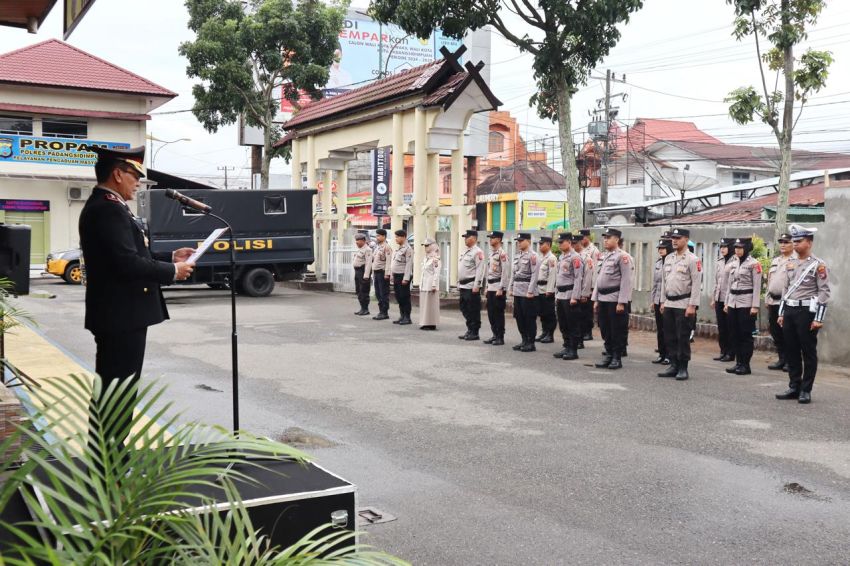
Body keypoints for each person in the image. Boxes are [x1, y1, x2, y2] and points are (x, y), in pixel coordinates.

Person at [79, 146, 194, 449]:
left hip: (120, 314)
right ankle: (109, 464)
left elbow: (130, 253)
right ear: (117, 174)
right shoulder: (106, 208)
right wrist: (172, 270)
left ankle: (109, 459)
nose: (138, 183)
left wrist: (171, 256)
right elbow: (125, 263)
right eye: (134, 176)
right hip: (120, 316)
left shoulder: (110, 206)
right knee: (117, 394)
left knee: (117, 392)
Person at [775, 224, 830, 404]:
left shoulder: (818, 265)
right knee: (791, 350)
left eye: (799, 241)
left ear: (809, 243)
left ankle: (806, 390)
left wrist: (818, 318)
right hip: (790, 310)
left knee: (808, 351)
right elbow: (786, 289)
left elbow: (824, 292)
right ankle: (794, 386)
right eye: (794, 241)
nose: (795, 244)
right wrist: (782, 313)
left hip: (807, 312)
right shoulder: (790, 263)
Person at [657, 228, 702, 381]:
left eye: (678, 238)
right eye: (673, 238)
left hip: (684, 303)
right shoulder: (669, 258)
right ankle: (673, 365)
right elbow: (664, 281)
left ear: (686, 239)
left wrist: (692, 306)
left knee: (682, 337)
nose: (674, 241)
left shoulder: (693, 259)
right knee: (669, 336)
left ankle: (683, 367)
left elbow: (696, 284)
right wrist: (662, 301)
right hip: (669, 302)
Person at [591, 228, 632, 370]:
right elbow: (599, 279)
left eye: (609, 237)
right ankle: (608, 354)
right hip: (603, 298)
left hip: (615, 299)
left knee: (616, 329)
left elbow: (626, 281)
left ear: (616, 239)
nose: (605, 240)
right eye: (605, 237)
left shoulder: (623, 257)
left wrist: (622, 302)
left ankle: (616, 357)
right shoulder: (604, 256)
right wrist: (595, 299)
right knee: (605, 328)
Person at [724, 238, 762, 375]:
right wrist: (727, 302)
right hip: (733, 301)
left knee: (745, 335)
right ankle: (738, 362)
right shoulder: (733, 263)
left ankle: (745, 364)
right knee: (734, 333)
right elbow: (729, 284)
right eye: (736, 247)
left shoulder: (754, 264)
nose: (737, 250)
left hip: (746, 303)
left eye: (740, 247)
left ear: (746, 248)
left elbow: (757, 286)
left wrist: (755, 306)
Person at [553, 233, 585, 360]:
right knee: (563, 323)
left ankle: (573, 349)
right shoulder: (561, 257)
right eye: (559, 242)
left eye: (562, 242)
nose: (560, 244)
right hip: (561, 294)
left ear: (569, 242)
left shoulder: (575, 257)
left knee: (572, 323)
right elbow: (559, 278)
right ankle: (566, 346)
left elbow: (578, 278)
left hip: (570, 294)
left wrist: (575, 297)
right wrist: (556, 294)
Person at [765, 233, 795, 370]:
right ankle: (782, 359)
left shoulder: (795, 261)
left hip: (786, 302)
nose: (783, 244)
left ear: (793, 244)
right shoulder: (776, 260)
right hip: (773, 301)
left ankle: (790, 361)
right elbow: (770, 280)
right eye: (781, 242)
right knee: (775, 332)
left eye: (786, 242)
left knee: (788, 333)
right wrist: (767, 297)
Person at [508, 233, 539, 352]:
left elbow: (534, 275)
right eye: (518, 241)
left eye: (521, 241)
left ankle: (531, 342)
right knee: (519, 317)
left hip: (527, 293)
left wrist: (530, 291)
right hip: (517, 291)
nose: (519, 243)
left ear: (528, 241)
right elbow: (513, 274)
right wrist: (511, 288)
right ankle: (524, 340)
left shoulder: (533, 256)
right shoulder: (517, 256)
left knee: (529, 318)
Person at [457, 229, 486, 340]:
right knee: (464, 308)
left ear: (473, 238)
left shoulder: (477, 252)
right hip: (463, 285)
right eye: (464, 237)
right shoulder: (465, 251)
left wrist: (477, 285)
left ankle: (474, 332)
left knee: (473, 309)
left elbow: (480, 270)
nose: (465, 239)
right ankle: (469, 329)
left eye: (467, 237)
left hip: (471, 286)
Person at [710, 238, 736, 362]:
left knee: (730, 327)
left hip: (730, 299)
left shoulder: (735, 261)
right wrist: (713, 298)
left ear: (730, 247)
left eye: (725, 246)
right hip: (719, 298)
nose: (722, 249)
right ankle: (723, 351)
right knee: (721, 327)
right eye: (721, 246)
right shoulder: (719, 262)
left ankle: (731, 353)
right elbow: (717, 282)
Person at [483, 231, 511, 346]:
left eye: (493, 238)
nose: (490, 239)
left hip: (498, 288)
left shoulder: (502, 254)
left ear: (499, 239)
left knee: (498, 313)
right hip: (491, 287)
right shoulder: (492, 254)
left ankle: (500, 337)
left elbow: (505, 272)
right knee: (491, 313)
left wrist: (501, 288)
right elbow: (488, 272)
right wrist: (486, 287)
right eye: (490, 238)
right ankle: (494, 334)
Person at [651, 238, 672, 365]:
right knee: (660, 329)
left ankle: (669, 355)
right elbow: (655, 283)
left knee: (668, 329)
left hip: (668, 301)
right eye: (659, 248)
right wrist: (653, 300)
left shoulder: (671, 262)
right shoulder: (658, 263)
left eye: (663, 248)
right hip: (658, 299)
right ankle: (662, 353)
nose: (660, 250)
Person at [572, 234, 594, 349]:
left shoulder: (587, 257)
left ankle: (580, 340)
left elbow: (588, 277)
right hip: (573, 291)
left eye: (574, 243)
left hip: (582, 293)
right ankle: (575, 339)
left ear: (580, 243)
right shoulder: (573, 256)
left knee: (582, 317)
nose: (573, 245)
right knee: (574, 318)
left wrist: (585, 293)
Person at [534, 236, 558, 343]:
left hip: (547, 289)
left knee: (549, 313)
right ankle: (544, 332)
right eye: (539, 244)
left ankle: (550, 334)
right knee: (542, 313)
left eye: (542, 244)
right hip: (539, 289)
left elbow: (552, 275)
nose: (540, 246)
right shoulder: (540, 257)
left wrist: (550, 290)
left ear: (548, 245)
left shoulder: (551, 258)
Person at [579, 229, 600, 342]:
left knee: (587, 310)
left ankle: (588, 332)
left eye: (582, 238)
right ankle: (582, 330)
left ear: (587, 238)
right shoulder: (580, 250)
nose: (581, 240)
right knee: (581, 310)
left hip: (589, 285)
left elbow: (595, 269)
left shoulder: (593, 250)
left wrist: (592, 287)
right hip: (581, 284)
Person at [390, 229, 413, 325]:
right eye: (395, 237)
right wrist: (392, 274)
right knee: (398, 296)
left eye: (398, 237)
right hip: (396, 275)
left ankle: (407, 317)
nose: (396, 239)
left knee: (404, 297)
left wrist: (406, 278)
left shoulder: (408, 249)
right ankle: (402, 315)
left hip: (403, 276)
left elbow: (409, 264)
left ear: (403, 237)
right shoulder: (397, 248)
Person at [370, 228, 393, 320]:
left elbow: (388, 262)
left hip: (383, 272)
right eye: (376, 235)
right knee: (378, 293)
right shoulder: (377, 247)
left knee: (383, 293)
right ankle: (381, 311)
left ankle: (384, 312)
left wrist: (387, 274)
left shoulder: (387, 247)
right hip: (376, 272)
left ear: (384, 236)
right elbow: (374, 259)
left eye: (379, 236)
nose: (377, 237)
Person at [419, 238, 440, 330]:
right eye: (425, 246)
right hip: (424, 284)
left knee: (431, 305)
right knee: (425, 304)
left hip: (431, 284)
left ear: (432, 246)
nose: (425, 247)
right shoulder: (426, 258)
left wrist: (434, 284)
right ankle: (425, 322)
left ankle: (432, 324)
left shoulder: (436, 258)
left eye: (427, 245)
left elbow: (436, 272)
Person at [352, 233, 373, 316]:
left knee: (364, 290)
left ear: (364, 241)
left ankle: (365, 309)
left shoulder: (367, 250)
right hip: (357, 272)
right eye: (356, 241)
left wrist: (366, 275)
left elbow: (368, 263)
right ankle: (362, 308)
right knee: (358, 290)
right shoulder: (360, 249)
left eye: (358, 241)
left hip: (363, 272)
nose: (357, 242)